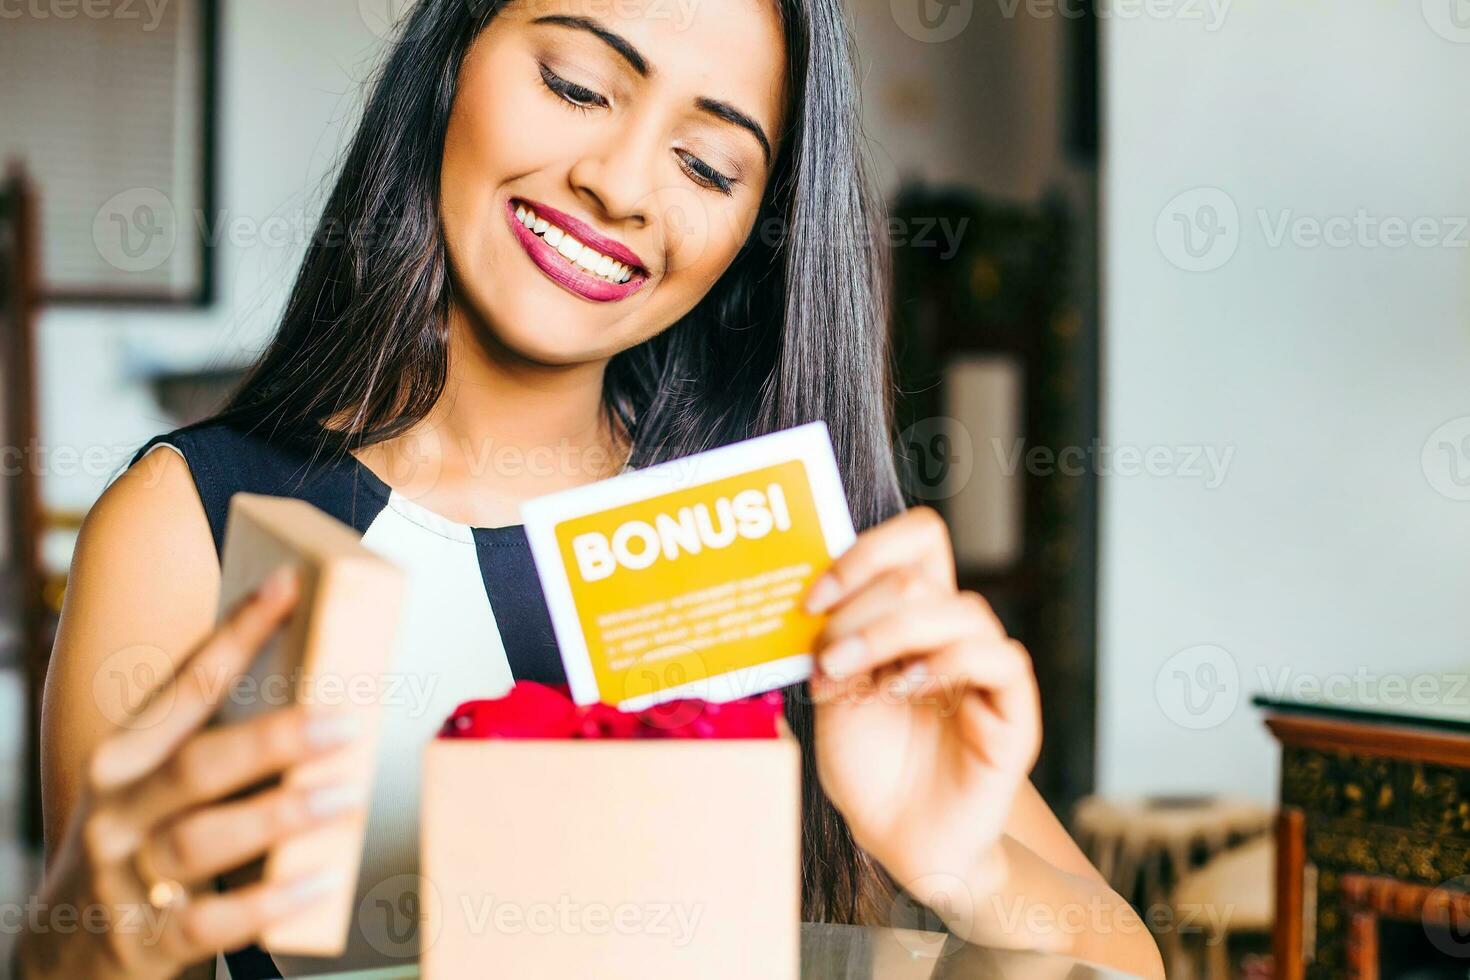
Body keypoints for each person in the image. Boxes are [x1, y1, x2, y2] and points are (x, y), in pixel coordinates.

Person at [16, 0, 1164, 976]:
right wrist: (79, 946)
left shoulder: (765, 546)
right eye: (576, 85)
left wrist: (961, 863)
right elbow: (91, 939)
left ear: (756, 230)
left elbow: (1124, 960)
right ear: (452, 58)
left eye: (709, 164)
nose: (621, 184)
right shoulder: (191, 523)